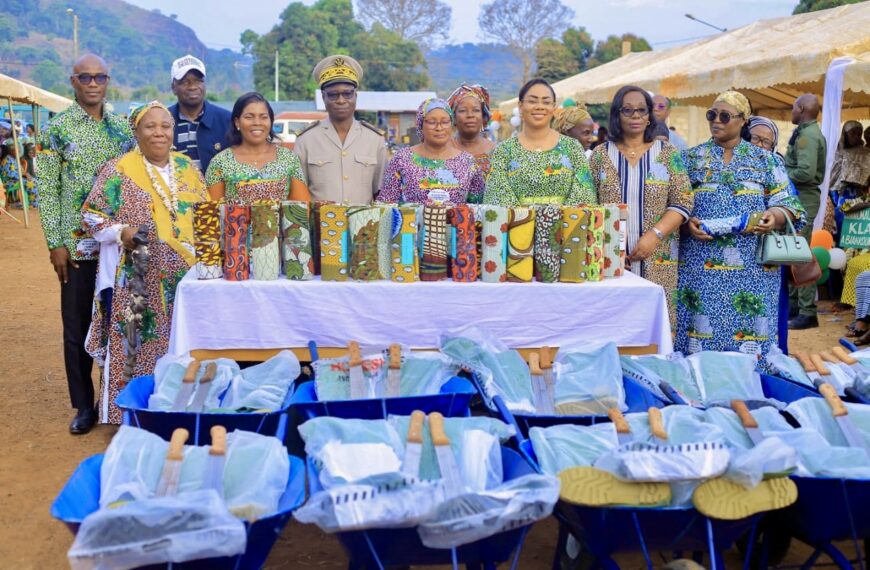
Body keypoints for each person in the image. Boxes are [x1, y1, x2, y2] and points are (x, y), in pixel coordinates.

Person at [82, 102, 206, 425]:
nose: (159, 132)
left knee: (181, 342)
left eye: (166, 126)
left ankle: (176, 411)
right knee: (135, 344)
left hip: (186, 277)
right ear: (136, 132)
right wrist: (121, 231)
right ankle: (126, 414)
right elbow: (91, 215)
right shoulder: (119, 169)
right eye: (150, 126)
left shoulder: (187, 168)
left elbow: (206, 212)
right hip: (139, 275)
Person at [36, 53, 133, 434]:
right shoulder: (57, 130)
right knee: (75, 328)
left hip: (114, 248)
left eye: (100, 77)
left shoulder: (123, 130)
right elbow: (47, 189)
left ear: (107, 82)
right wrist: (54, 243)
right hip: (75, 250)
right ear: (73, 82)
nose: (93, 83)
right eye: (85, 77)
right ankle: (83, 405)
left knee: (116, 322)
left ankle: (114, 400)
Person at [674, 91, 805, 367]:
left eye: (724, 116)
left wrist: (775, 216)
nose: (716, 121)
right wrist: (686, 224)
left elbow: (790, 205)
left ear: (743, 121)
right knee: (701, 336)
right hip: (701, 267)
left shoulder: (766, 161)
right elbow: (673, 205)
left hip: (753, 270)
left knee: (750, 336)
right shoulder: (690, 159)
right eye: (712, 115)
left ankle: (751, 387)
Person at [590, 85, 693, 325]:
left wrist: (654, 236)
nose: (636, 116)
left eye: (641, 110)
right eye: (628, 110)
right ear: (617, 115)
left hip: (659, 258)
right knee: (614, 324)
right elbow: (588, 205)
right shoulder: (600, 155)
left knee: (656, 328)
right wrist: (611, 246)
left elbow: (683, 200)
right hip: (610, 260)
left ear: (649, 116)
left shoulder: (668, 154)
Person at [484, 79, 595, 206]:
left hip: (567, 225)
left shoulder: (572, 147)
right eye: (532, 101)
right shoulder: (504, 150)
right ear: (520, 107)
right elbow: (496, 197)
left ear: (553, 107)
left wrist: (554, 221)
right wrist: (525, 221)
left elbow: (585, 196)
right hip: (515, 224)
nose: (540, 106)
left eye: (546, 102)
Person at [294, 55, 387, 204]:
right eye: (333, 95)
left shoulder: (375, 140)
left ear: (355, 96)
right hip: (319, 226)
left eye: (347, 94)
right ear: (323, 97)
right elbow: (298, 194)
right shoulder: (306, 140)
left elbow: (380, 193)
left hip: (363, 226)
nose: (341, 100)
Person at [206, 92, 309, 203]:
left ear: (271, 121)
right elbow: (212, 212)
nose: (257, 122)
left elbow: (301, 208)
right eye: (249, 117)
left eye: (263, 117)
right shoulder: (220, 162)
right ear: (237, 122)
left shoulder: (289, 159)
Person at [377, 98, 484, 204]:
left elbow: (478, 206)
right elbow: (386, 203)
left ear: (451, 124)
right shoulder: (402, 159)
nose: (439, 128)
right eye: (432, 122)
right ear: (420, 125)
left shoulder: (468, 162)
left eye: (445, 122)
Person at [785, 94, 826, 330]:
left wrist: (780, 173)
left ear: (801, 109)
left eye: (793, 108)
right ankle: (794, 305)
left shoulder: (808, 136)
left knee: (800, 253)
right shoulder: (805, 132)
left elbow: (805, 173)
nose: (791, 112)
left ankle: (808, 311)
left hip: (803, 198)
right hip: (799, 198)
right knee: (792, 250)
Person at [830, 121, 870, 323]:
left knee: (857, 247)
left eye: (860, 132)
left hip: (862, 203)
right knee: (844, 246)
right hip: (844, 201)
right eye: (853, 132)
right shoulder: (840, 153)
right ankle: (843, 294)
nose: (858, 136)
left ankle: (854, 297)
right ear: (845, 134)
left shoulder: (866, 153)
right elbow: (834, 180)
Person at [167, 54, 232, 174]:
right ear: (173, 88)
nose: (193, 87)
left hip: (216, 192)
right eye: (185, 82)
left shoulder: (227, 120)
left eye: (198, 81)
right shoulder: (164, 121)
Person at [447, 83, 496, 176]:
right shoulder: (441, 151)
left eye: (476, 110)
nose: (470, 115)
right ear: (454, 118)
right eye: (463, 110)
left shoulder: (497, 153)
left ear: (483, 116)